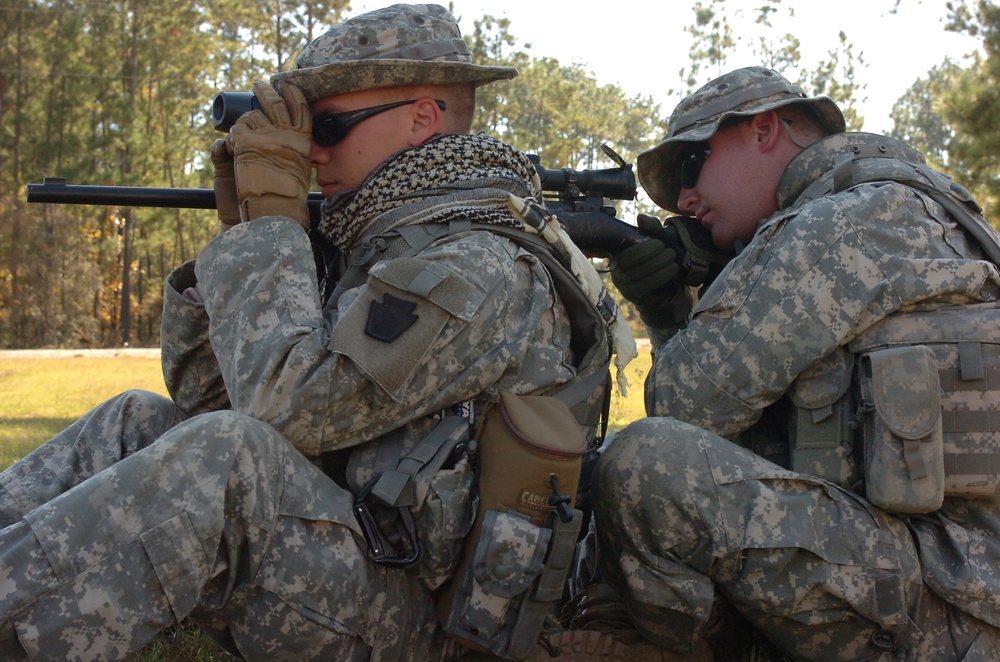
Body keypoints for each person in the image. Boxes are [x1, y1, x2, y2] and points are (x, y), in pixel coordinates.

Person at [0, 4, 635, 660]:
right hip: (359, 552)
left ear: (423, 117)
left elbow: (280, 413)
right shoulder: (375, 242)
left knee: (228, 459)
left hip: (430, 622)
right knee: (135, 422)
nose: (313, 152)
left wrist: (267, 235)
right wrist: (242, 232)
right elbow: (207, 399)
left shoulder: (477, 265)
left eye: (328, 125)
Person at [599, 65, 1000, 660]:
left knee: (641, 464)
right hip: (955, 587)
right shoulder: (904, 202)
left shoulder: (837, 226)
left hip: (946, 606)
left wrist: (664, 312)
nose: (685, 199)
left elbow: (683, 406)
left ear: (763, 130)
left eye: (691, 164)